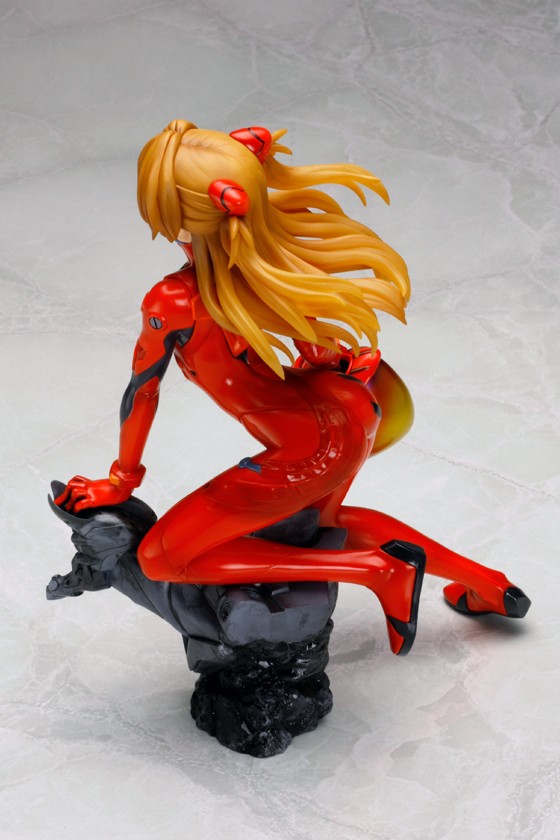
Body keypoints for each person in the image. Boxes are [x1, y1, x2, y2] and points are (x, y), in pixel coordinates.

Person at [56, 120, 530, 656]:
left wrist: (121, 480)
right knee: (323, 524)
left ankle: (375, 570)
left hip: (305, 445)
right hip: (348, 409)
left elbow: (142, 391)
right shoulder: (259, 261)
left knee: (161, 558)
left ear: (178, 217)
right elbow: (314, 342)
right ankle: (491, 585)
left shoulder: (174, 300)